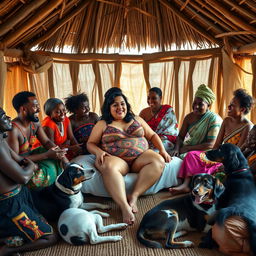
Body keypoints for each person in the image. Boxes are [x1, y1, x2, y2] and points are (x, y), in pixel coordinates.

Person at [87, 89, 171, 225]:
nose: (120, 107)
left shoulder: (136, 119)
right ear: (108, 108)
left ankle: (134, 196)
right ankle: (124, 206)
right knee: (107, 166)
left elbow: (152, 135)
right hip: (117, 160)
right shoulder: (102, 124)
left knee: (158, 161)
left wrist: (162, 150)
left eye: (122, 104)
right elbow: (90, 143)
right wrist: (98, 152)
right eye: (115, 105)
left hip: (140, 157)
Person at [170, 88, 253, 195]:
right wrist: (211, 157)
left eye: (232, 105)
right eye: (229, 104)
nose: (228, 107)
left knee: (215, 172)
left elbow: (238, 152)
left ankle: (201, 187)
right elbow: (217, 144)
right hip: (219, 156)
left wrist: (222, 162)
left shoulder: (247, 126)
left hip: (230, 161)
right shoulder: (227, 121)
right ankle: (186, 185)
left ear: (242, 109)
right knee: (191, 155)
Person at [0, 107, 58, 256]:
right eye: (2, 115)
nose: (7, 117)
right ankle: (7, 250)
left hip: (19, 195)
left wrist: (29, 164)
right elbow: (23, 177)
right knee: (50, 236)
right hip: (9, 204)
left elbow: (20, 160)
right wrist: (31, 167)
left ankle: (7, 236)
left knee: (46, 218)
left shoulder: (1, 139)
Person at [7, 91, 68, 189]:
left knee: (56, 156)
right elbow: (14, 160)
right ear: (23, 109)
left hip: (31, 157)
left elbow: (47, 142)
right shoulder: (13, 130)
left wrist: (65, 161)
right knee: (44, 173)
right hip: (21, 165)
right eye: (35, 106)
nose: (39, 109)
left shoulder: (34, 123)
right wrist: (46, 155)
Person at [170, 84, 222, 159]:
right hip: (189, 150)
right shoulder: (188, 117)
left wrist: (188, 148)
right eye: (195, 103)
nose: (196, 106)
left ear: (208, 105)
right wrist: (176, 149)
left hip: (206, 152)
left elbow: (211, 144)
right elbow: (180, 137)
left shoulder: (214, 119)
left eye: (200, 104)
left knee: (187, 157)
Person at [139, 87, 179, 154]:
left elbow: (172, 132)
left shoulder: (167, 110)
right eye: (148, 98)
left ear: (160, 98)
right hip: (148, 141)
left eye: (154, 98)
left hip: (165, 141)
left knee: (152, 153)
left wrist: (157, 140)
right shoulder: (143, 112)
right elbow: (138, 128)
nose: (150, 101)